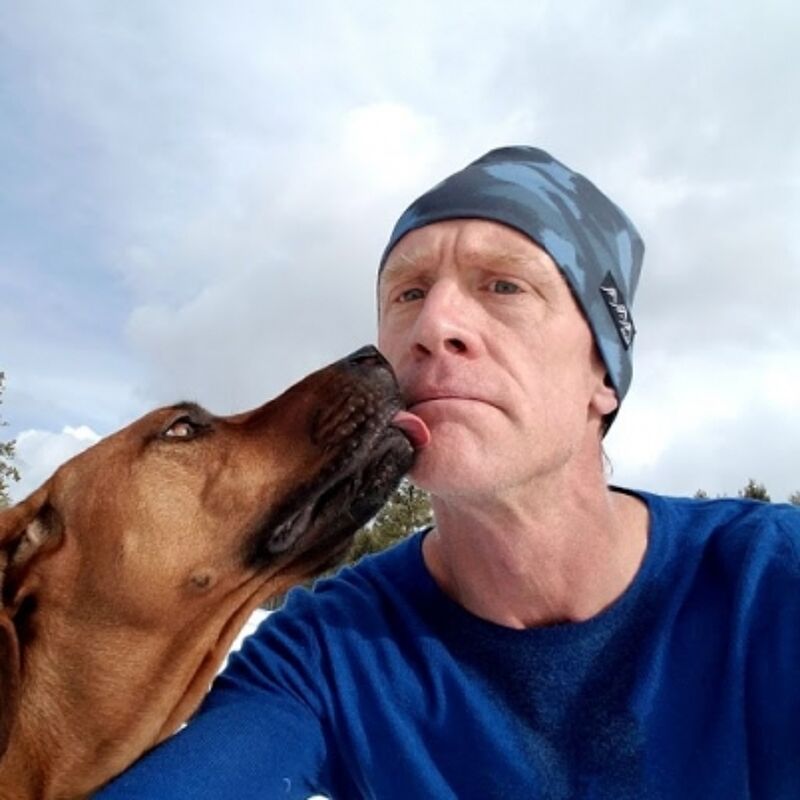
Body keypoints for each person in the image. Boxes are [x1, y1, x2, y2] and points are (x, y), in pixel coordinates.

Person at [97, 147, 800, 799]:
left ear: (603, 375)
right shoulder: (329, 652)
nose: (434, 326)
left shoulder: (770, 583)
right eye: (407, 294)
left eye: (504, 286)